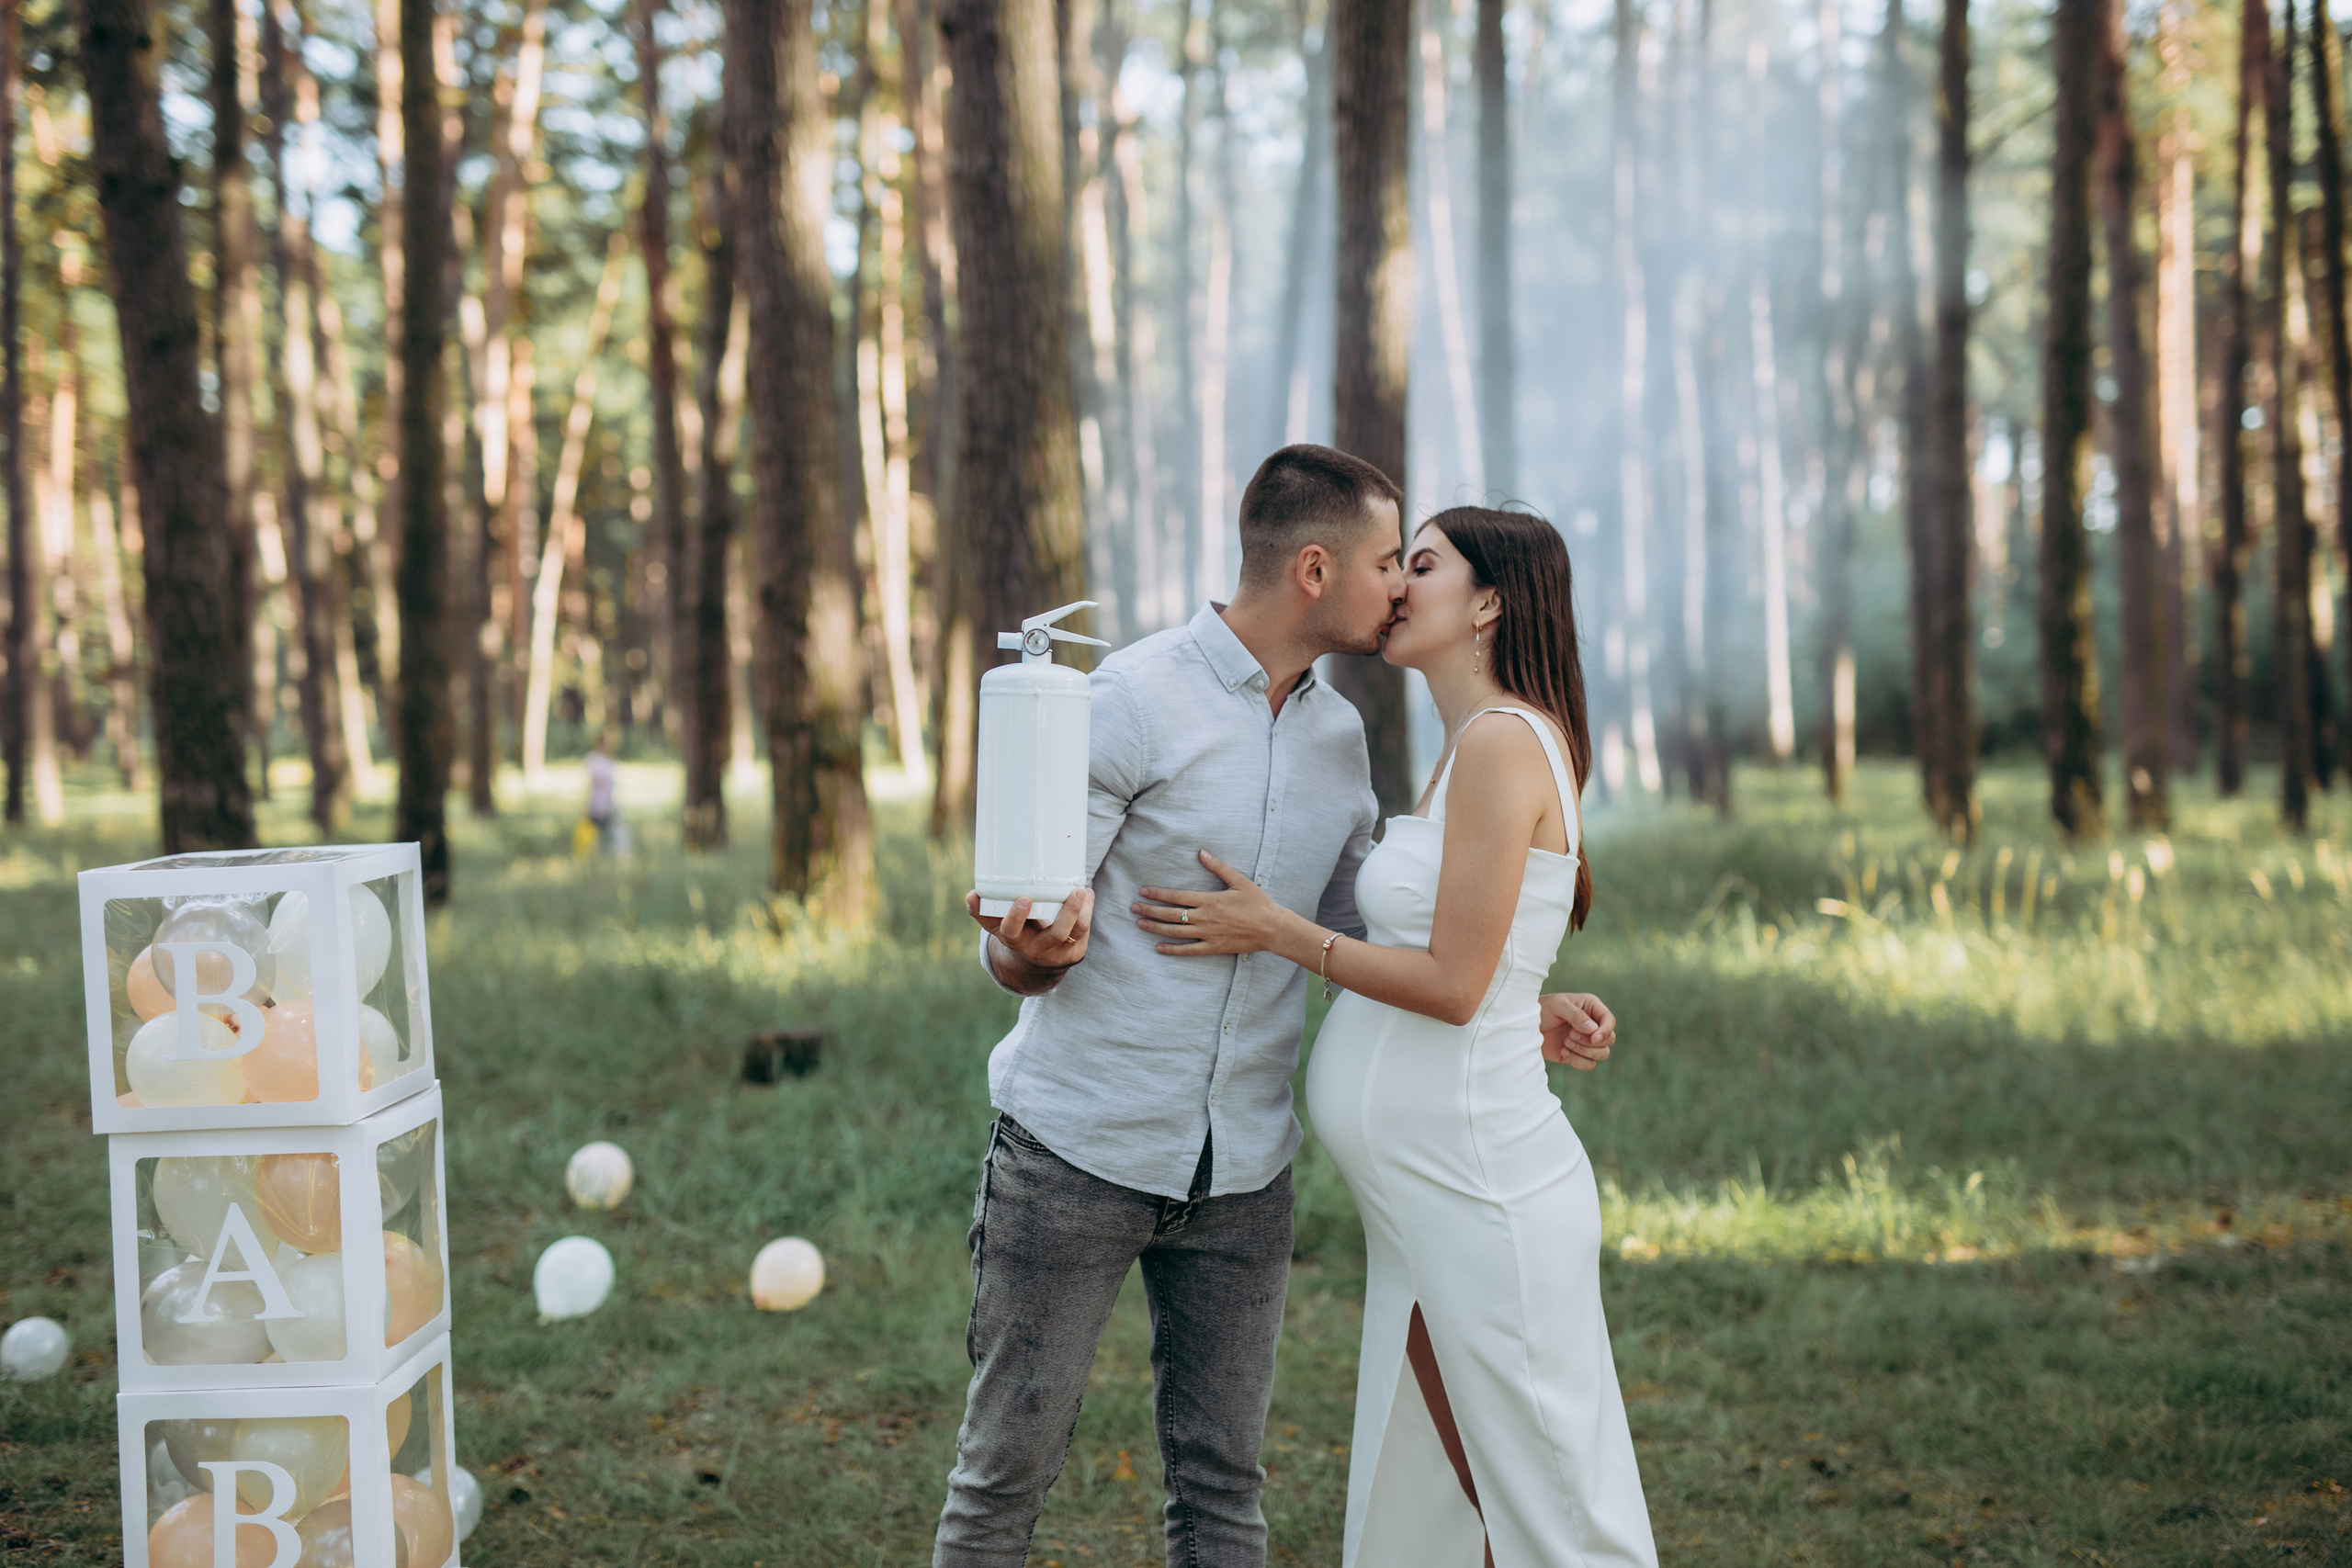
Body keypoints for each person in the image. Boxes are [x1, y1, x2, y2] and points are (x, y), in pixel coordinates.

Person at [934, 450, 1619, 1568]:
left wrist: (1511, 996)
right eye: (1389, 561)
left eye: (1416, 565)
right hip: (1076, 1156)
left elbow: (1374, 928)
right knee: (1001, 1478)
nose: (1400, 585)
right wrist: (1030, 956)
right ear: (1314, 568)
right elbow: (1017, 945)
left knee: (1220, 1491)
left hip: (1243, 1177)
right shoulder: (1129, 703)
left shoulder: (1339, 740)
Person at [1133, 506, 1657, 1567]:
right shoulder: (1467, 746)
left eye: (1422, 565)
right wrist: (1530, 998)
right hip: (1423, 1196)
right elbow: (1479, 956)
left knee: (1554, 1508)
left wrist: (1279, 931)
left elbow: (1457, 985)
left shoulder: (1506, 742)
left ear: (1490, 602)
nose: (1398, 586)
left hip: (1481, 1184)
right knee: (1440, 1485)